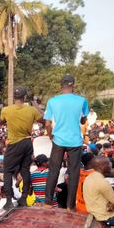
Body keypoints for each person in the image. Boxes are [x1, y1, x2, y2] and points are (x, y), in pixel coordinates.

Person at [44, 75, 89, 210]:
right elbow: (83, 120)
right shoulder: (82, 101)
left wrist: (50, 135)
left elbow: (47, 123)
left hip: (58, 140)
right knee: (74, 172)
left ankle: (47, 202)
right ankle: (70, 206)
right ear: (73, 84)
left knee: (53, 170)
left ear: (60, 85)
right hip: (75, 141)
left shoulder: (52, 101)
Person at [0, 86, 42, 209]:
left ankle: (9, 200)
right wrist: (36, 106)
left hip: (14, 144)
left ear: (14, 97)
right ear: (24, 97)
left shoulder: (6, 110)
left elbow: (0, 121)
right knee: (25, 170)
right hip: (28, 143)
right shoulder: (32, 110)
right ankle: (23, 198)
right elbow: (44, 120)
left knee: (7, 171)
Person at [83, 156, 114, 228]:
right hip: (107, 217)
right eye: (108, 163)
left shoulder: (90, 177)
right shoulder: (103, 182)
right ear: (102, 167)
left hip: (95, 212)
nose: (111, 165)